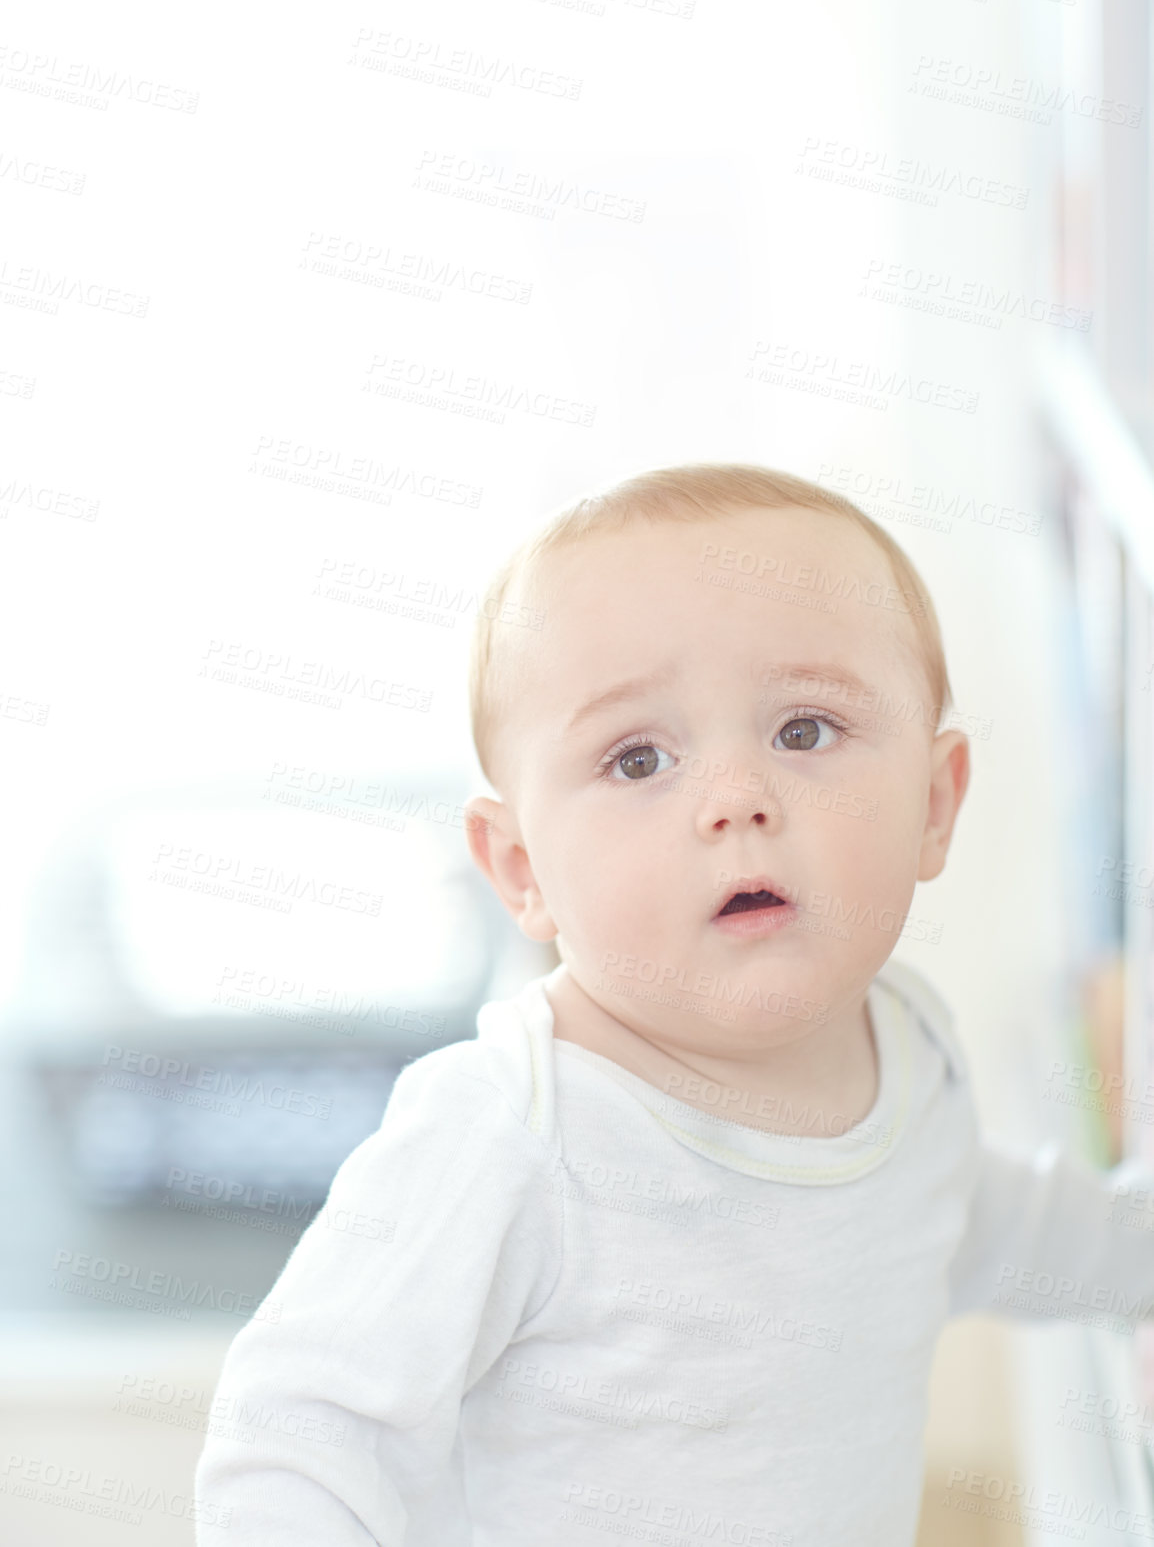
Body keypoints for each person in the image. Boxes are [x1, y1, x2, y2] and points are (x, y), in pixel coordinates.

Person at [194, 461, 1154, 1546]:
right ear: (520, 870)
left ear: (933, 804)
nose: (736, 798)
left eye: (802, 731)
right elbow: (298, 1440)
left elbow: (973, 1218)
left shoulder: (908, 1053)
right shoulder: (507, 1133)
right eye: (637, 757)